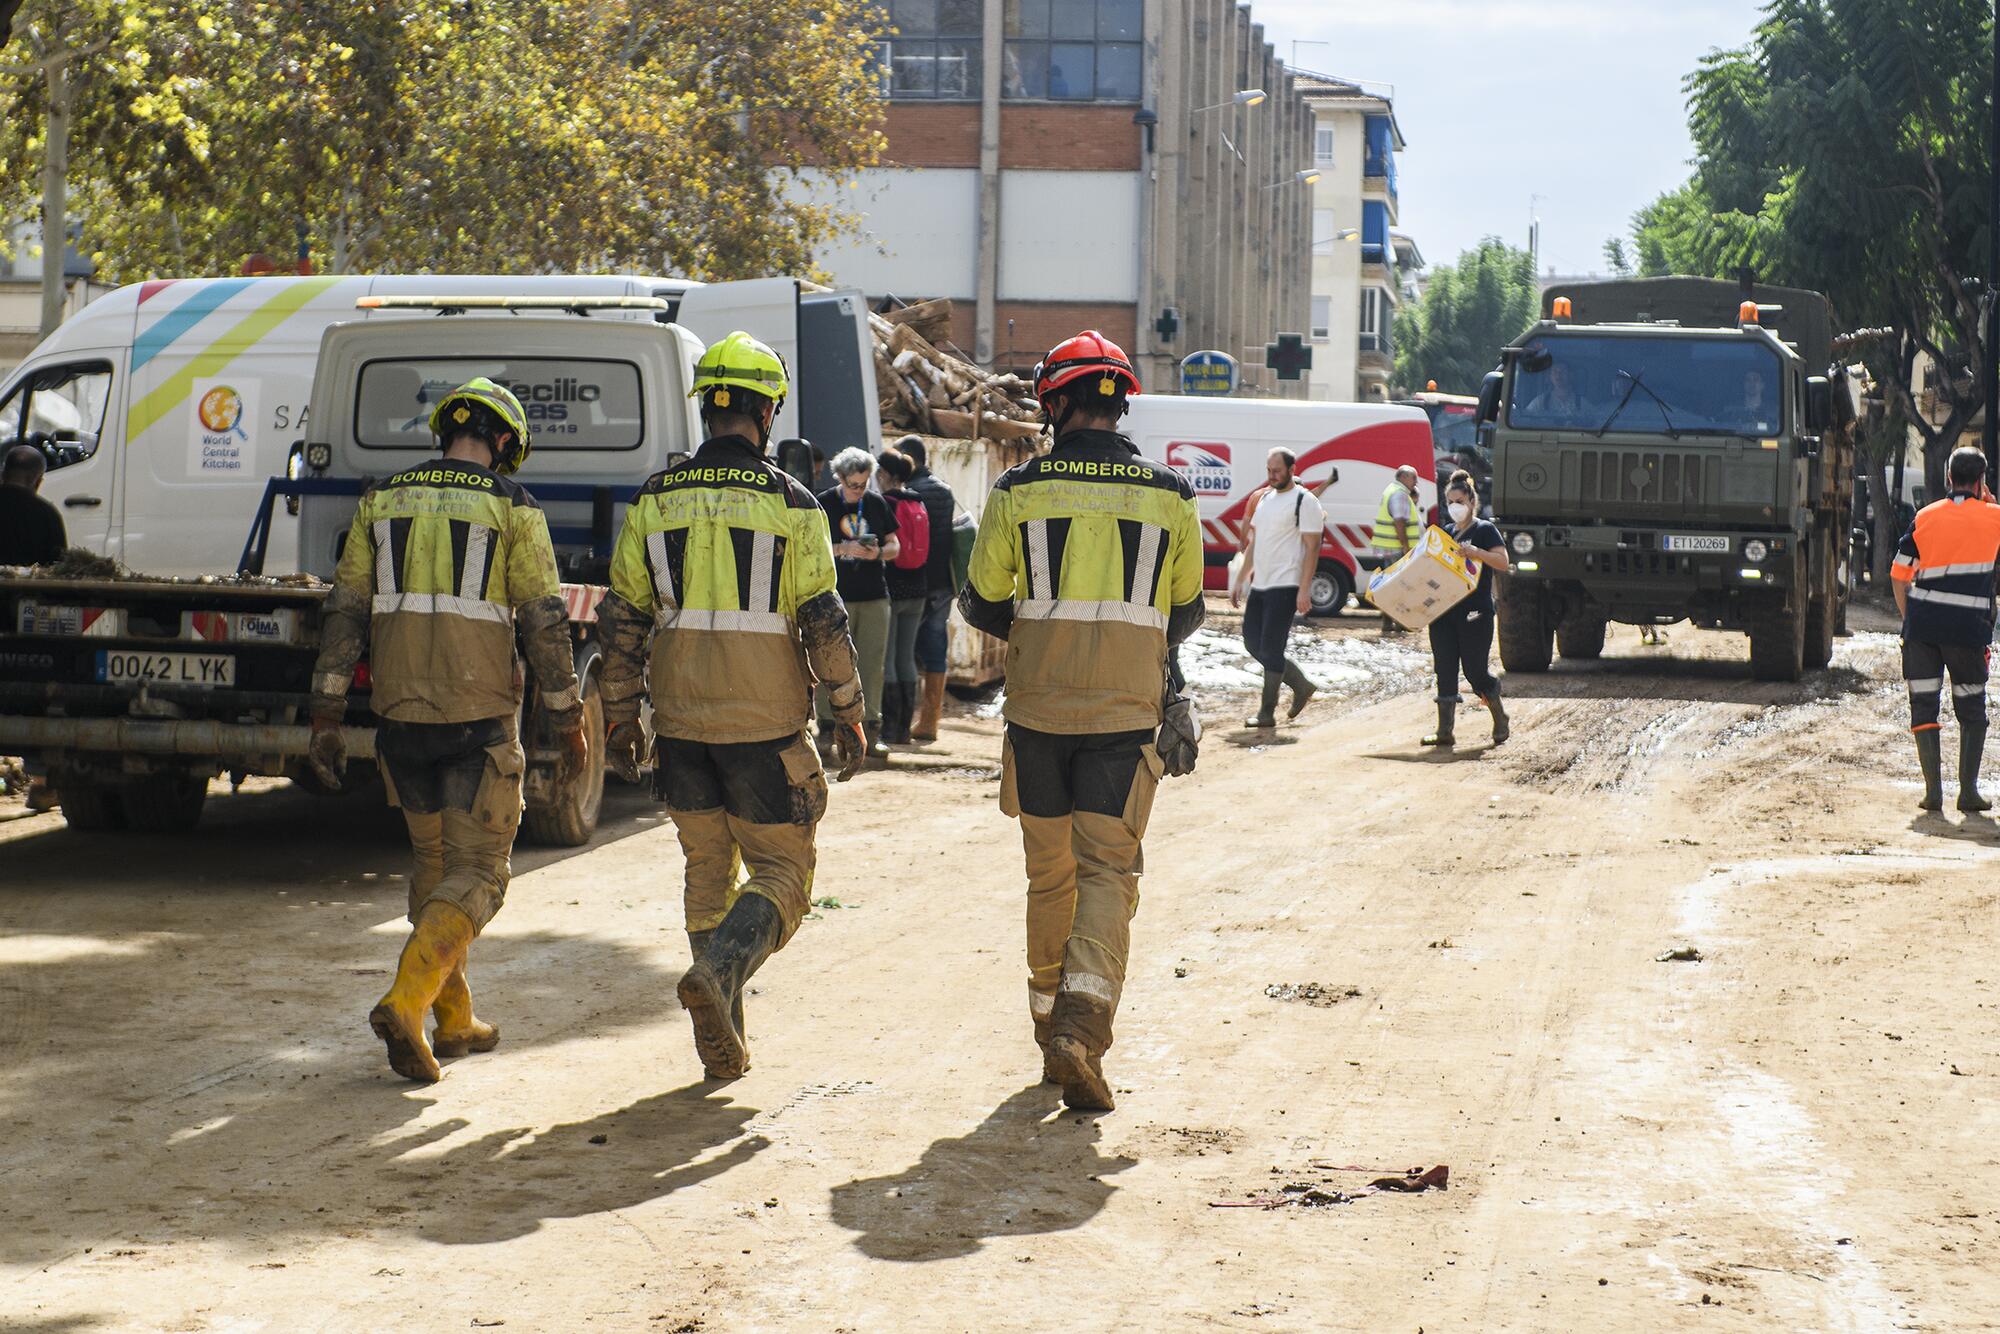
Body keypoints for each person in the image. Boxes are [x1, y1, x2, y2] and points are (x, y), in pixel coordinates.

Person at [597, 331, 868, 1080]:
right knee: (783, 875)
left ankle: (723, 1038)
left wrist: (619, 714)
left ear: (708, 410)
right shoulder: (793, 502)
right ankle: (719, 978)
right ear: (767, 411)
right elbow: (824, 622)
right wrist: (848, 709)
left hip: (680, 726)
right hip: (765, 730)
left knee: (706, 871)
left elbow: (622, 620)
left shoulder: (654, 500)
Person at [307, 378, 586, 1084]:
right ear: (501, 442)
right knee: (481, 874)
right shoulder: (513, 507)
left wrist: (328, 712)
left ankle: (453, 1019)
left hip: (400, 724)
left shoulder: (380, 501)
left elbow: (344, 614)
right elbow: (544, 623)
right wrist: (569, 717)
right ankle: (406, 1002)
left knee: (434, 875)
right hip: (478, 725)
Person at [959, 330, 1204, 1113]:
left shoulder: (1017, 492)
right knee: (1108, 871)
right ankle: (1083, 1024)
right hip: (1123, 716)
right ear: (1119, 401)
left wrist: (1047, 629)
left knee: (1049, 874)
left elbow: (980, 600)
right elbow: (1188, 609)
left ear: (1055, 404)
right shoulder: (1171, 495)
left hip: (1037, 711)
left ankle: (1046, 1032)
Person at [1891, 446, 2000, 812]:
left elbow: (1899, 573)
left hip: (1922, 630)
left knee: (1923, 706)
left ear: (1948, 478)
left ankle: (1932, 793)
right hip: (1967, 632)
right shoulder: (1995, 517)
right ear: (1982, 480)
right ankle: (1967, 792)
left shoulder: (1924, 517)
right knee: (1971, 710)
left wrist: (1910, 618)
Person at [1231, 446, 1322, 728]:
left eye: (1277, 471)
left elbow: (1313, 547)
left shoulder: (1304, 501)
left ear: (1292, 470)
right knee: (1251, 642)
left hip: (1286, 584)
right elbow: (1256, 543)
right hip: (1262, 584)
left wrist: (1303, 589)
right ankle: (1301, 685)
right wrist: (1241, 578)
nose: (1271, 476)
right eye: (1269, 471)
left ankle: (1266, 712)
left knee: (1271, 647)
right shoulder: (1265, 499)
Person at [817, 447, 899, 762]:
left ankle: (871, 731)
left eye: (863, 484)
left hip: (874, 595)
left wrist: (877, 553)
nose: (858, 491)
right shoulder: (824, 503)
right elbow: (814, 545)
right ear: (840, 478)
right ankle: (826, 729)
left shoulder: (877, 504)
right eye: (853, 485)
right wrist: (842, 549)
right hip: (834, 595)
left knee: (871, 665)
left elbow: (896, 545)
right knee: (830, 663)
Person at [1422, 470, 1511, 749]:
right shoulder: (1446, 533)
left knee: (1475, 672)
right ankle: (1444, 731)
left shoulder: (1484, 530)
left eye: (1459, 501)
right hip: (1443, 612)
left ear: (1472, 501)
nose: (1454, 507)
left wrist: (1476, 553)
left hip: (1476, 612)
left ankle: (1499, 717)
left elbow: (1502, 562)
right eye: (1450, 502)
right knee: (1444, 670)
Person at [899, 436, 959, 742]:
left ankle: (901, 720)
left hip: (916, 584)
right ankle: (930, 722)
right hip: (943, 584)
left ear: (908, 459)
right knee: (936, 650)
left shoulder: (909, 494)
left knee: (905, 649)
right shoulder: (944, 492)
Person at [876, 446, 929, 744]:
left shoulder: (886, 502)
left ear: (884, 474)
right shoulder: (918, 500)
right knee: (907, 655)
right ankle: (905, 730)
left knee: (890, 657)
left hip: (894, 586)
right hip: (918, 587)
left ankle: (890, 728)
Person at [1369, 464, 1422, 630]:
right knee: (1398, 586)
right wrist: (1405, 546)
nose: (1416, 481)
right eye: (1414, 477)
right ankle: (1397, 622)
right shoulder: (1399, 494)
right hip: (1397, 549)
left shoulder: (1392, 490)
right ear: (1404, 477)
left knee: (1391, 585)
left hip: (1390, 548)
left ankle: (1391, 622)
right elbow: (1399, 522)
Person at [0, 444, 66, 565]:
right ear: (38, 481)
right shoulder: (48, 515)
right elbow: (59, 564)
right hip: (28, 583)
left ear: (3, 474)